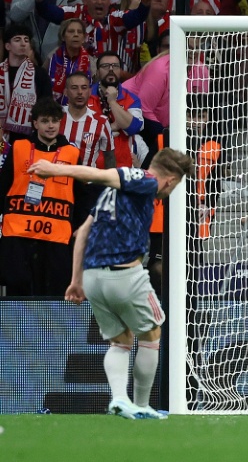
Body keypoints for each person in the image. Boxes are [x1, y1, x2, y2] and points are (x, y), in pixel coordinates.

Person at [27, 147, 194, 419]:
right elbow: (97, 173)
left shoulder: (110, 195)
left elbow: (81, 232)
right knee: (151, 334)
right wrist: (55, 169)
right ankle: (141, 405)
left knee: (121, 341)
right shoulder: (145, 179)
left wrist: (76, 280)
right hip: (125, 275)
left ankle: (119, 400)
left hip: (93, 277)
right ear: (171, 180)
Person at [0, 98, 87, 296]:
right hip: (18, 235)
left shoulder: (72, 154)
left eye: (54, 121)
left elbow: (81, 197)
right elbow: (3, 186)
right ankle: (18, 329)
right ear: (35, 123)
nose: (50, 126)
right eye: (45, 121)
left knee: (53, 294)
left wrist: (81, 228)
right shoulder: (19, 147)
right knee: (18, 291)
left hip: (56, 237)